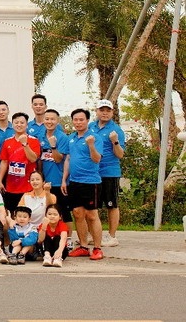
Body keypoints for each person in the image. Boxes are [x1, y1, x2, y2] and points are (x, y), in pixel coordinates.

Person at [60, 107, 104, 260]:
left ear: (87, 121)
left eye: (81, 119)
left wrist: (91, 145)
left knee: (92, 215)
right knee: (78, 213)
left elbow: (97, 159)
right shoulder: (71, 138)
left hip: (91, 182)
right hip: (74, 182)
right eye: (76, 120)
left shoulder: (95, 137)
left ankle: (97, 248)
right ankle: (84, 246)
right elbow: (68, 159)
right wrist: (64, 180)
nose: (78, 122)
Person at [90, 98, 126, 247]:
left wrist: (115, 141)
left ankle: (112, 236)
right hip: (93, 172)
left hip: (109, 172)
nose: (104, 113)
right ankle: (95, 235)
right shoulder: (90, 127)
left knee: (112, 205)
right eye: (102, 110)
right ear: (97, 111)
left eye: (108, 110)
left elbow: (120, 154)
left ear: (112, 112)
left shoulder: (116, 130)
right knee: (92, 206)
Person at [0, 112, 41, 212]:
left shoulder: (34, 140)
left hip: (28, 185)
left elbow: (33, 159)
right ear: (12, 124)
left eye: (22, 122)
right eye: (16, 122)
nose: (19, 125)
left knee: (27, 212)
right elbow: (4, 162)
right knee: (11, 212)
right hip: (11, 185)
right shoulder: (7, 141)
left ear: (27, 125)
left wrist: (25, 144)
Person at [39, 109, 71, 221]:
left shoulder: (62, 137)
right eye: (47, 119)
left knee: (63, 212)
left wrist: (53, 146)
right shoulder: (41, 136)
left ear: (57, 121)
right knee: (48, 212)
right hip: (46, 182)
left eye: (52, 119)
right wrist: (41, 177)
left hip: (59, 181)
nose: (49, 122)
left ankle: (67, 233)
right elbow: (40, 159)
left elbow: (58, 159)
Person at [39, 203, 69, 268]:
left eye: (55, 214)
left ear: (60, 217)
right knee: (47, 237)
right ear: (45, 215)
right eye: (49, 214)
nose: (52, 216)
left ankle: (57, 259)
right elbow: (40, 240)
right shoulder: (43, 225)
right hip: (46, 250)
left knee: (57, 237)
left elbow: (63, 239)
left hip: (60, 250)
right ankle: (47, 257)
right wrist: (44, 227)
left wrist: (59, 251)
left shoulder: (62, 225)